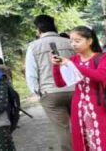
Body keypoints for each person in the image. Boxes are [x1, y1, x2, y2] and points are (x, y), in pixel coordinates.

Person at [51, 27, 106, 151]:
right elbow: (60, 83)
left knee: (103, 142)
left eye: (77, 41)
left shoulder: (103, 57)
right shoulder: (73, 60)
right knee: (82, 143)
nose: (73, 44)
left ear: (89, 41)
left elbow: (100, 76)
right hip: (78, 107)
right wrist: (56, 66)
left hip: (99, 106)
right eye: (71, 41)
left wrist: (73, 66)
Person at [24, 15, 75, 151]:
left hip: (50, 92)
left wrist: (38, 92)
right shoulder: (69, 42)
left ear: (38, 29)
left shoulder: (33, 46)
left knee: (62, 129)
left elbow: (31, 73)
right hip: (75, 90)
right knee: (79, 125)